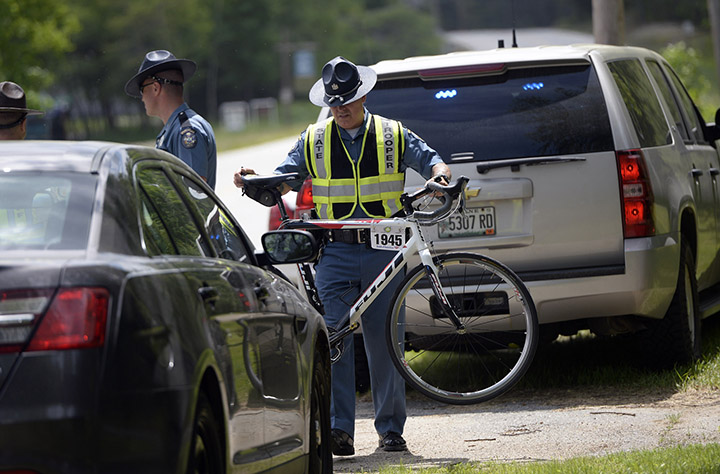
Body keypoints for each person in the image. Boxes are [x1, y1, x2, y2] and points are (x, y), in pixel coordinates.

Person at [234, 56, 451, 455]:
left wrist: (440, 173)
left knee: (386, 343)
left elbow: (431, 159)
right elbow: (282, 180)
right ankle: (339, 431)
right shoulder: (313, 139)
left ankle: (390, 430)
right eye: (334, 102)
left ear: (364, 95)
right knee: (333, 342)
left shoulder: (392, 134)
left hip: (384, 253)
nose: (341, 108)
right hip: (334, 254)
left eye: (348, 100)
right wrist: (253, 181)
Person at [125, 50, 217, 189]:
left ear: (156, 88)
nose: (142, 98)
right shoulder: (174, 128)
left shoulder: (186, 129)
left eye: (142, 89)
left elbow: (194, 192)